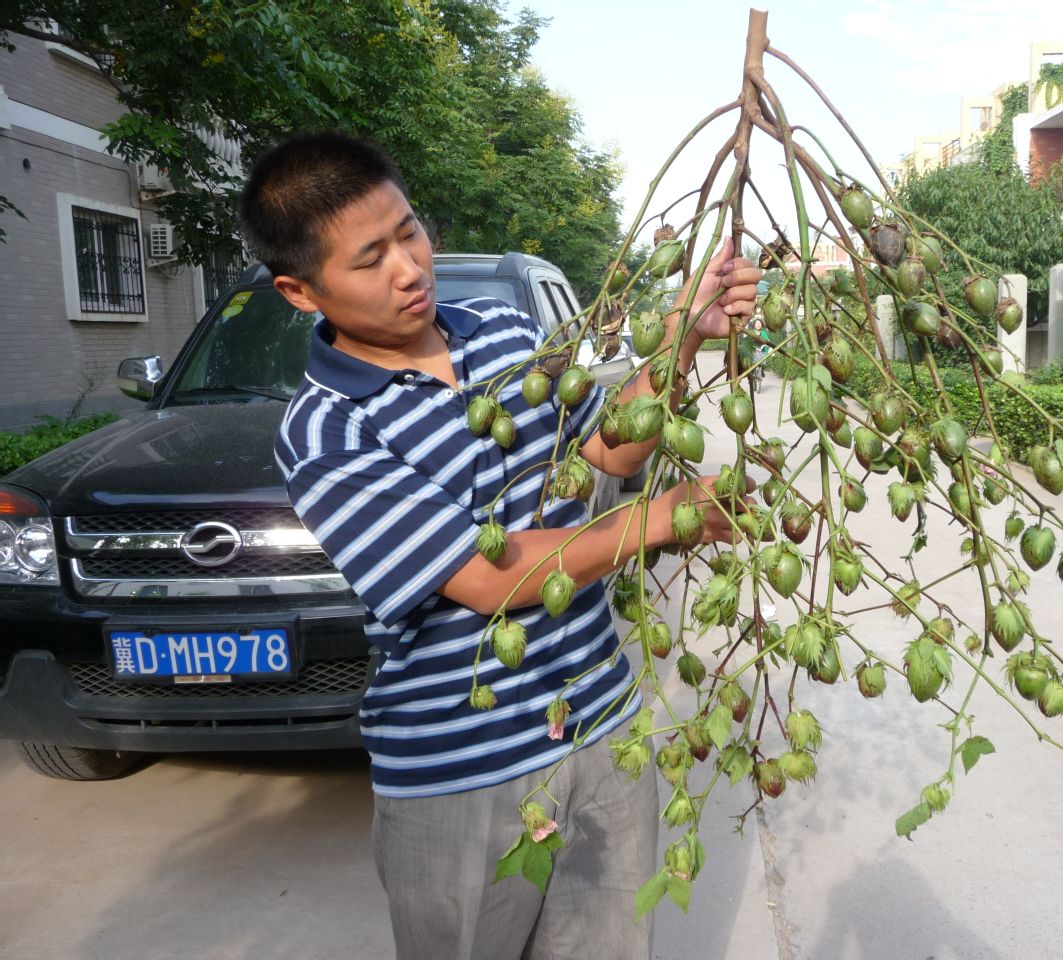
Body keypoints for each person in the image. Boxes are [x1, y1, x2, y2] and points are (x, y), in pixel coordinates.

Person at [239, 131, 762, 960]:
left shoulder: (504, 331)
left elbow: (611, 450)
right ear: (301, 291)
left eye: (409, 232)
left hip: (603, 730)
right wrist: (664, 518)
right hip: (460, 775)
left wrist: (684, 334)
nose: (409, 268)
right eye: (369, 259)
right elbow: (488, 577)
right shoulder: (326, 431)